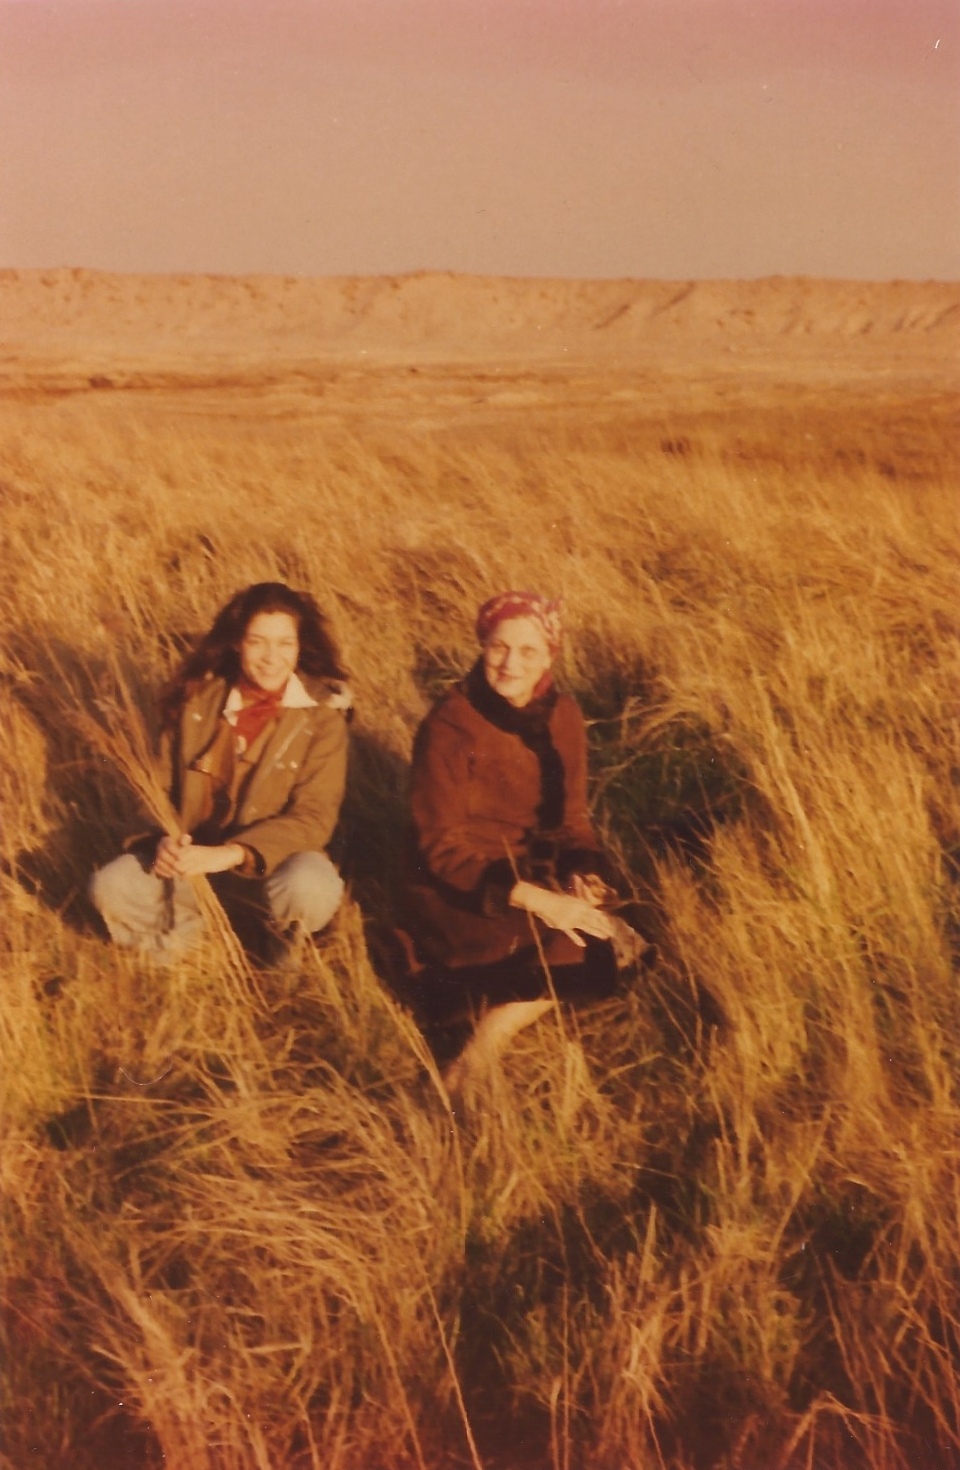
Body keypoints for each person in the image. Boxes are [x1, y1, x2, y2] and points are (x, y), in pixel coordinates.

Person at [402, 590, 648, 1097]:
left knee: (626, 931)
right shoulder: (448, 726)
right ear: (482, 646)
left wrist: (584, 878)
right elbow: (440, 848)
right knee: (581, 941)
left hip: (534, 872)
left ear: (549, 658)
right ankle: (475, 1057)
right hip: (462, 889)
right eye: (499, 647)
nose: (510, 664)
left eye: (528, 651)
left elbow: (572, 821)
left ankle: (490, 1026)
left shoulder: (564, 716)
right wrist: (541, 901)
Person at [89, 582, 351, 959]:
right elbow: (154, 790)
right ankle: (199, 945)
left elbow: (314, 817)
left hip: (270, 870)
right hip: (192, 869)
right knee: (110, 887)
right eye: (257, 641)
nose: (271, 657)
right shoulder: (196, 700)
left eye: (284, 643)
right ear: (237, 643)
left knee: (310, 885)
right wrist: (162, 840)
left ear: (300, 647)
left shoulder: (322, 716)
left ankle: (274, 953)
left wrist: (233, 853)